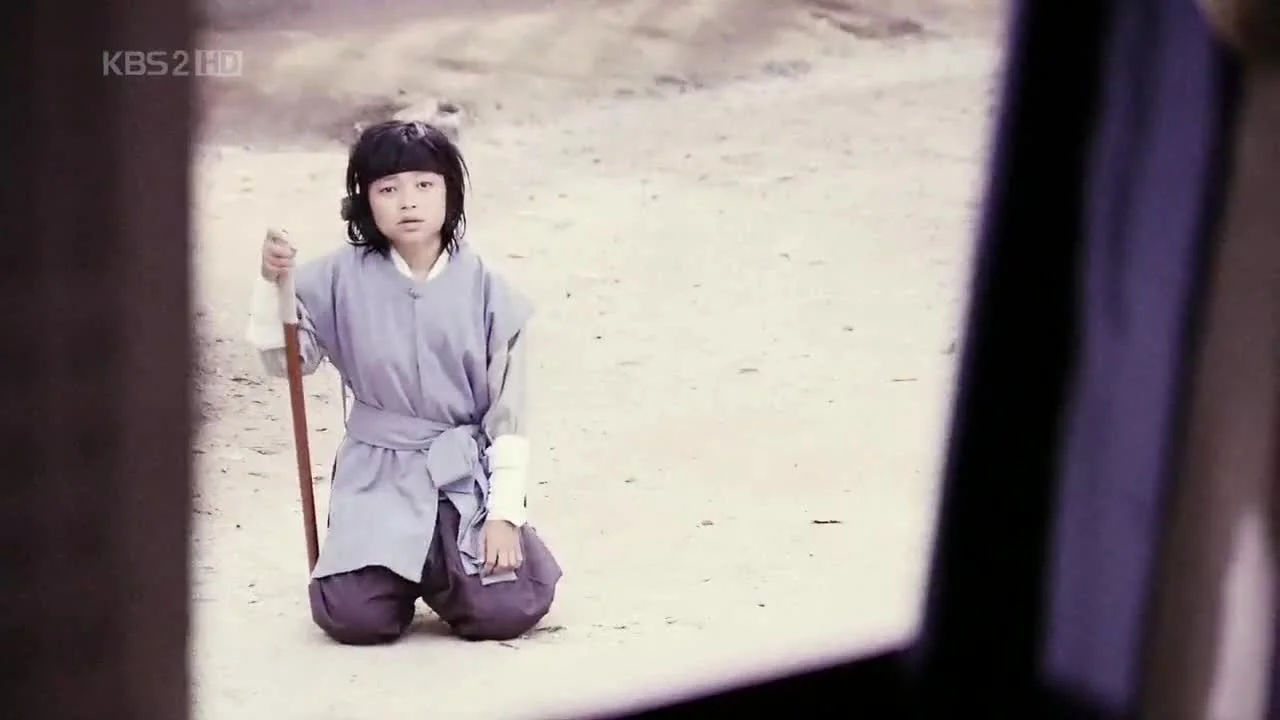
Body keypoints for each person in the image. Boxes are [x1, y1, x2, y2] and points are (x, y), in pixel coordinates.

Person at [243, 119, 562, 645]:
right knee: (352, 619)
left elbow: (509, 414)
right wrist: (270, 283)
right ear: (365, 201)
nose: (407, 201)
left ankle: (448, 572)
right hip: (377, 473)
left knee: (505, 610)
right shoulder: (335, 278)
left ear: (449, 193)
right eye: (387, 189)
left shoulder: (489, 291)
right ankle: (385, 574)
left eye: (424, 185)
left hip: (458, 475)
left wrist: (504, 515)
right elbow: (288, 363)